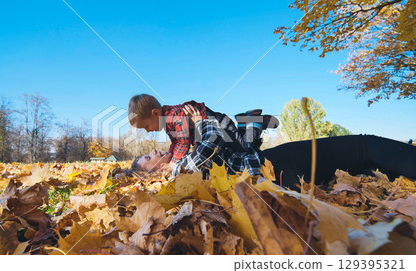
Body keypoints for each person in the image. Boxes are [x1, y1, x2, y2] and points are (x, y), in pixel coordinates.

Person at [132, 105, 416, 189]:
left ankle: (251, 123)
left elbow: (226, 149)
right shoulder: (180, 170)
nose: (154, 150)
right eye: (148, 158)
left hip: (272, 171)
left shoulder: (181, 156)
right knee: (364, 146)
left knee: (364, 166)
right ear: (153, 175)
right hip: (274, 167)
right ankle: (251, 123)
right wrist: (200, 120)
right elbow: (211, 143)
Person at [128, 94, 279, 171]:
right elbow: (176, 144)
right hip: (211, 130)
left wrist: (173, 163)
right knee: (236, 145)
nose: (147, 131)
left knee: (244, 145)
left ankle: (252, 120)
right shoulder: (168, 122)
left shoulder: (173, 118)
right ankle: (243, 122)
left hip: (218, 124)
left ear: (155, 113)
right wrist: (171, 157)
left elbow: (183, 142)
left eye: (146, 126)